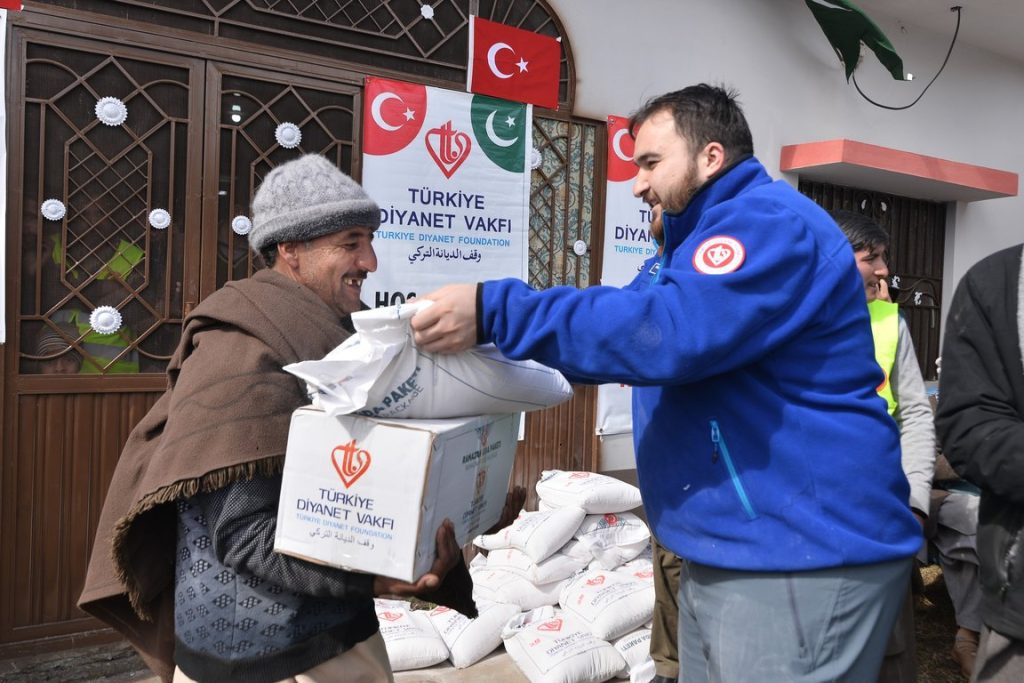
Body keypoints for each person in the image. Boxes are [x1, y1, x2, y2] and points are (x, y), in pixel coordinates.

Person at [410, 83, 921, 681]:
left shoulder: (767, 224)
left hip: (797, 550)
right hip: (733, 543)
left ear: (710, 156)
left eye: (651, 163)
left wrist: (498, 310)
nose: (637, 183)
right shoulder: (688, 245)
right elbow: (620, 337)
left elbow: (663, 334)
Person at [78, 154, 472, 683]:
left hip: (333, 637)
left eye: (369, 241)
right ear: (290, 249)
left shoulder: (337, 339)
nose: (371, 261)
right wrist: (372, 579)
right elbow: (243, 536)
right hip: (259, 659)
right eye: (351, 242)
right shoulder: (238, 350)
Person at [831, 209, 937, 682]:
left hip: (882, 506)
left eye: (883, 258)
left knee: (890, 648)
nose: (883, 269)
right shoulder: (789, 320)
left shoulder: (890, 323)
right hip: (818, 516)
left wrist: (915, 500)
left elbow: (915, 413)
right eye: (870, 257)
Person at [935, 243, 1024, 682]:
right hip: (1017, 590)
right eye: (870, 256)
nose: (883, 270)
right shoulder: (1000, 283)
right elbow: (965, 426)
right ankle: (966, 634)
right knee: (963, 521)